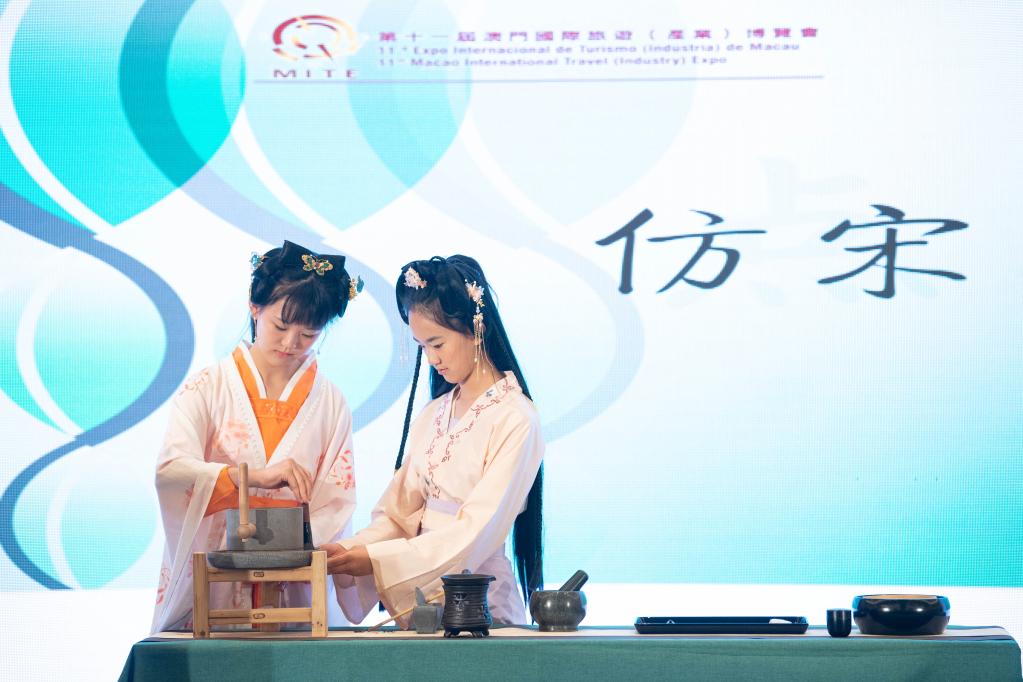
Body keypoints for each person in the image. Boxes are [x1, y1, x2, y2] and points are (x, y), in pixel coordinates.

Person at [151, 240, 365, 633]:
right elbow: (171, 471)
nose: (290, 343)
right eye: (280, 326)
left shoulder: (331, 403)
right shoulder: (207, 387)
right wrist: (246, 479)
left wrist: (291, 547)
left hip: (295, 582)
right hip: (217, 574)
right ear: (255, 306)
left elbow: (336, 502)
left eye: (308, 333)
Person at [324, 255, 543, 626]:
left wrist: (378, 561)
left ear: (476, 327)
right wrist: (350, 551)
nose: (431, 360)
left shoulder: (516, 417)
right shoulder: (435, 413)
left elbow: (475, 532)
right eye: (422, 347)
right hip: (424, 602)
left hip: (482, 606)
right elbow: (400, 514)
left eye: (437, 344)